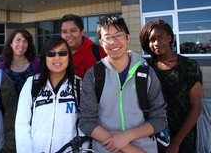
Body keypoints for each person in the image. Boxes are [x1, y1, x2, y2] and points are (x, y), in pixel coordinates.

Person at [79, 15, 167, 152]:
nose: (113, 42)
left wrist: (127, 136)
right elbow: (86, 121)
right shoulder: (93, 75)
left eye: (118, 35)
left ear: (127, 37)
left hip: (144, 148)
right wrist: (127, 146)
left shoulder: (145, 72)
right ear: (101, 42)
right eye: (107, 37)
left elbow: (159, 118)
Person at [15, 37, 88, 153]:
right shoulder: (32, 84)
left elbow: (84, 125)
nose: (57, 57)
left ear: (69, 57)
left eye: (62, 53)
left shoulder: (79, 85)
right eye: (51, 54)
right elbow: (22, 125)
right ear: (45, 58)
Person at [139, 19, 202, 153]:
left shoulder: (189, 66)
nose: (156, 43)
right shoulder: (145, 68)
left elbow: (196, 106)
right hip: (152, 137)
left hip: (183, 138)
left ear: (169, 37)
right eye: (151, 40)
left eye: (160, 37)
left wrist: (176, 143)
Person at [60, 14, 106, 79]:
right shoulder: (57, 55)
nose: (68, 35)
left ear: (82, 32)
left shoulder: (98, 52)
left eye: (73, 30)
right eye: (64, 32)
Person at [0, 29, 40, 96]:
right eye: (18, 40)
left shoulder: (37, 66)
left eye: (25, 41)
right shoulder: (1, 67)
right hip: (7, 106)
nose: (21, 44)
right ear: (11, 43)